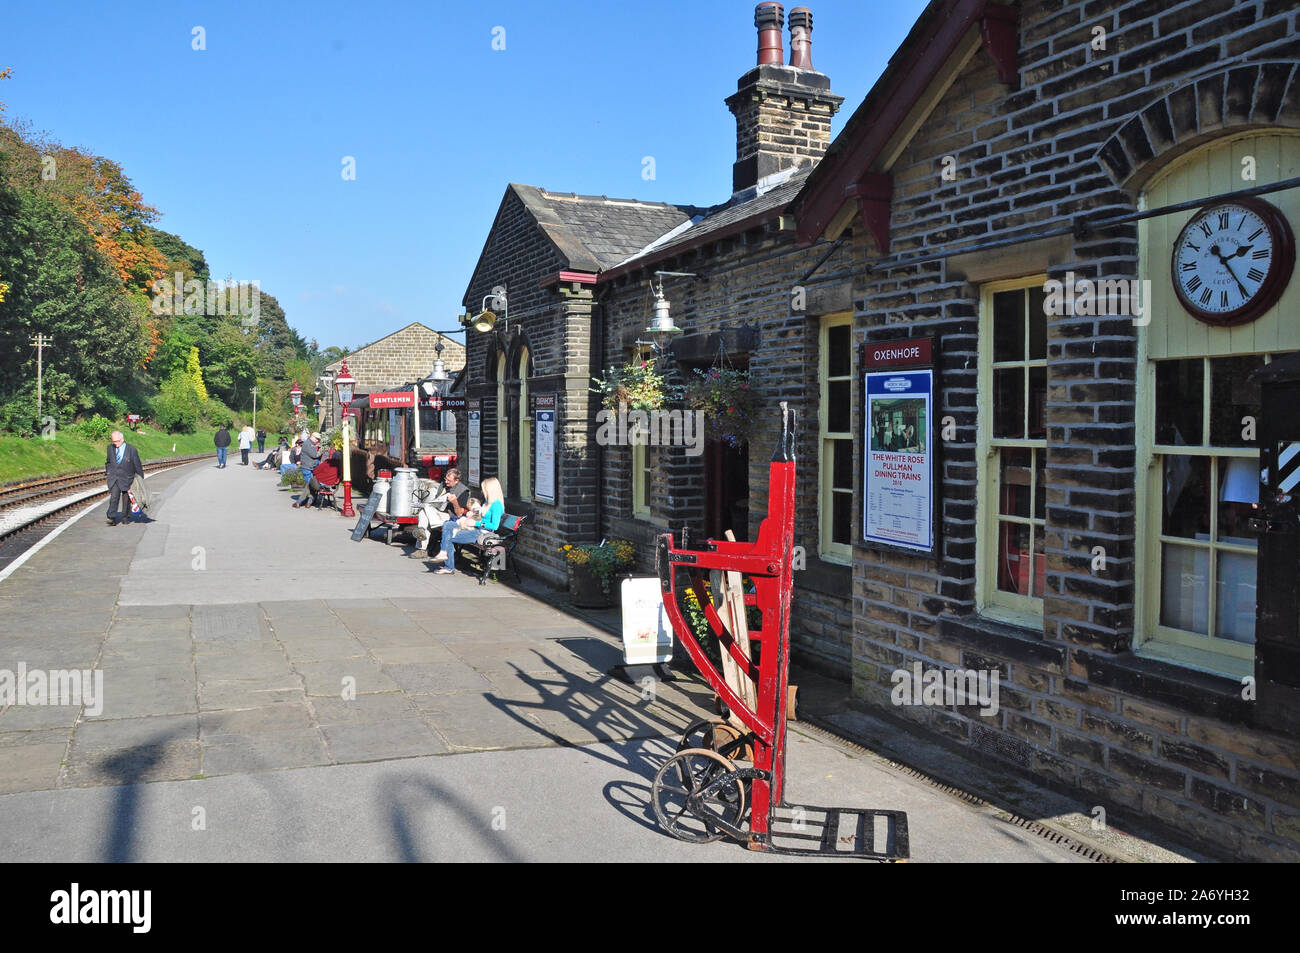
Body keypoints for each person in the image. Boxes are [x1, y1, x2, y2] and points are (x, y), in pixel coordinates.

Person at [431, 476, 504, 574]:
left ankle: (448, 566)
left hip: (481, 533)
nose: (483, 492)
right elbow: (481, 517)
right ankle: (444, 553)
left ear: (491, 490)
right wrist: (471, 515)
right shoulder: (487, 502)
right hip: (474, 528)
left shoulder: (497, 505)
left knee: (448, 537)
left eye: (484, 489)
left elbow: (494, 526)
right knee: (448, 525)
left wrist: (475, 522)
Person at [410, 467, 473, 557]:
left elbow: (459, 513)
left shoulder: (463, 491)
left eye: (449, 480)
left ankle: (421, 548)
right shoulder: (443, 485)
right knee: (424, 510)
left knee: (425, 516)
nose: (446, 482)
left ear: (456, 480)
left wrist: (455, 502)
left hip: (451, 516)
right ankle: (422, 530)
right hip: (438, 512)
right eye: (445, 479)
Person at [105, 430, 145, 526]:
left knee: (126, 499)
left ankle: (125, 516)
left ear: (122, 439)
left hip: (127, 478)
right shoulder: (110, 448)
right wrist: (108, 471)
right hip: (114, 477)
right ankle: (111, 517)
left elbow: (137, 464)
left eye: (117, 441)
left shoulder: (131, 449)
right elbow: (108, 461)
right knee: (114, 497)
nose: (115, 443)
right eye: (113, 441)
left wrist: (140, 478)